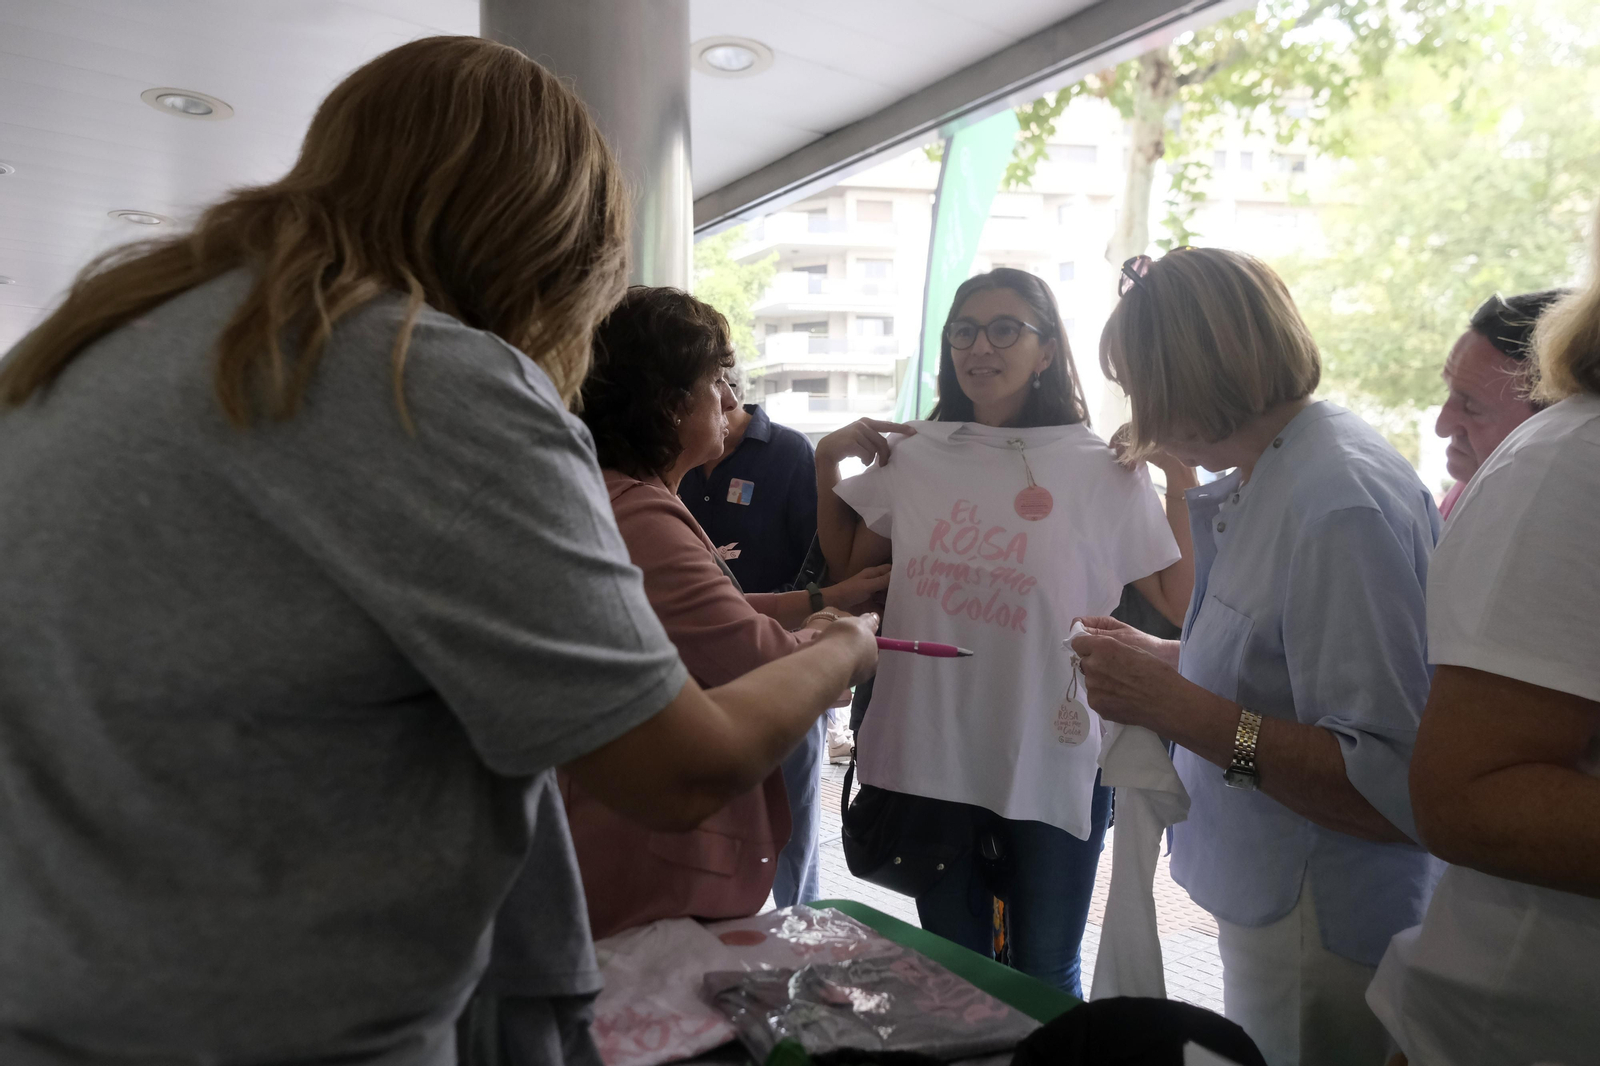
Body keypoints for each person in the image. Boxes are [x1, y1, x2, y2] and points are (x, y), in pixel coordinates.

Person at [0, 37, 878, 1064]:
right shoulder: (423, 377)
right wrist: (840, 647)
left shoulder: (97, 345)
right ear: (554, 244)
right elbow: (682, 771)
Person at [1070, 247, 1438, 1066]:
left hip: (1328, 919)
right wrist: (1171, 662)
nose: (1135, 405)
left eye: (1137, 380)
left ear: (1188, 375)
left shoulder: (1337, 502)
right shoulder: (1278, 469)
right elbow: (1284, 671)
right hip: (1279, 897)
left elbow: (1381, 780)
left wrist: (1178, 708)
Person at [817, 267, 1194, 997]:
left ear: (1047, 351)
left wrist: (1174, 473)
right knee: (953, 971)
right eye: (964, 330)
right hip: (935, 746)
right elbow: (851, 571)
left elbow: (1178, 602)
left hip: (1052, 750)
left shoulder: (1099, 468)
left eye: (1004, 329)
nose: (978, 347)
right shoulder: (918, 453)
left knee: (1045, 970)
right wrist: (825, 459)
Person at [559, 286, 888, 937]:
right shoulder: (641, 511)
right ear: (669, 403)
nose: (731, 399)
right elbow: (752, 653)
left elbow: (715, 605)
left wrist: (827, 602)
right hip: (653, 861)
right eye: (717, 382)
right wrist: (842, 646)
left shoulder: (623, 492)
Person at [1366, 221, 1600, 1065]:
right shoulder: (1569, 463)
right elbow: (1461, 788)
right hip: (1519, 1021)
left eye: (1468, 402)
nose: (1437, 426)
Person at [679, 361, 834, 906]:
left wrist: (805, 631)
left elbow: (821, 559)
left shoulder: (788, 452)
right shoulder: (668, 465)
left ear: (727, 386)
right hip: (699, 678)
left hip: (786, 663)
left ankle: (801, 936)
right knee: (717, 834)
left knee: (791, 828)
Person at [1434, 288, 1568, 517]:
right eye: (1449, 391)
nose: (1442, 426)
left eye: (1473, 408)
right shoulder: (1469, 492)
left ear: (1553, 426)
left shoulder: (1564, 532)